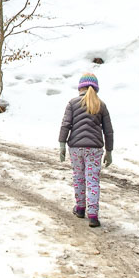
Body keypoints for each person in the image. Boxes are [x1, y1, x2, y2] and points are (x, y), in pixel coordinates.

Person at [58, 72, 114, 227]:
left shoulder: (72, 103)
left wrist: (62, 144)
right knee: (93, 180)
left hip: (76, 147)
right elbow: (108, 131)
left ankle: (80, 208)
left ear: (80, 88)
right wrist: (109, 151)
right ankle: (93, 215)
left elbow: (65, 124)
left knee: (79, 177)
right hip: (95, 149)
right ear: (96, 89)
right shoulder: (101, 105)